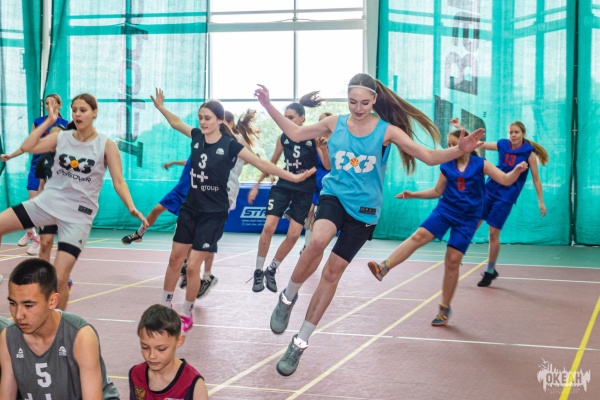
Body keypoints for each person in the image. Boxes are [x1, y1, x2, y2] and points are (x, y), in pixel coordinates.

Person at [254, 73, 484, 376]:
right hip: (335, 196)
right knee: (318, 240)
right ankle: (287, 298)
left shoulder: (387, 131)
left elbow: (428, 156)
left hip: (364, 211)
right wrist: (268, 105)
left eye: (364, 102)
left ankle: (299, 342)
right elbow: (295, 133)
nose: (358, 108)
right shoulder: (334, 123)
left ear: (374, 100)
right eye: (353, 102)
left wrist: (460, 150)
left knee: (332, 273)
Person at [152, 89, 314, 334]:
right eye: (200, 117)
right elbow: (175, 123)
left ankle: (186, 312)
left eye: (207, 118)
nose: (202, 122)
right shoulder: (196, 137)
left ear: (219, 120)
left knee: (193, 266)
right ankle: (165, 307)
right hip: (191, 207)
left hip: (213, 213)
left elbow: (261, 162)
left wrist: (292, 176)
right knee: (175, 259)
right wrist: (161, 107)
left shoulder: (230, 145)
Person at [0, 93, 148, 311]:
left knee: (60, 279)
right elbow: (29, 146)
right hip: (47, 203)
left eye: (83, 110)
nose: (78, 114)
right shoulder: (62, 137)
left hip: (78, 215)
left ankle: (58, 323)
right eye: (74, 110)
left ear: (95, 112)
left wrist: (131, 206)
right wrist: (49, 122)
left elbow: (119, 181)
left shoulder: (106, 145)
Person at [367, 129, 528, 326]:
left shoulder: (480, 164)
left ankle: (444, 308)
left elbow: (505, 179)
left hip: (468, 218)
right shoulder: (446, 165)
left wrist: (516, 170)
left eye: (456, 143)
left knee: (452, 261)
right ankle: (384, 267)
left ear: (469, 144)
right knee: (419, 235)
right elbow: (437, 191)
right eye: (451, 144)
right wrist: (414, 194)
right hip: (446, 210)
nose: (454, 147)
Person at [0, 258, 119, 399]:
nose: (18, 315)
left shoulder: (81, 336)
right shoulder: (8, 337)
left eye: (28, 305)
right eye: (13, 303)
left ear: (52, 301)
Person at [451, 118, 548, 287]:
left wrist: (541, 201)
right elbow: (478, 143)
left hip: (506, 196)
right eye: (511, 132)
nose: (513, 135)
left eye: (516, 132)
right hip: (489, 189)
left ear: (523, 134)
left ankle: (490, 271)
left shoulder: (529, 154)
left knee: (493, 233)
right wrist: (460, 128)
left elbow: (536, 179)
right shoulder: (502, 144)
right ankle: (458, 253)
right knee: (473, 223)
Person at [248, 91, 325, 293]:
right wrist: (257, 184)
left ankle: (272, 269)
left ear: (302, 118)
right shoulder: (283, 138)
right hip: (284, 184)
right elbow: (272, 162)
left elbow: (326, 165)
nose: (287, 121)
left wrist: (324, 149)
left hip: (305, 189)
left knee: (293, 234)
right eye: (285, 118)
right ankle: (258, 271)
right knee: (269, 226)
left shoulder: (313, 137)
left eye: (291, 118)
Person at [1, 94, 69, 256]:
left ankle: (40, 238)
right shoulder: (38, 122)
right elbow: (28, 144)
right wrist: (11, 155)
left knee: (43, 205)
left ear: (59, 105)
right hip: (38, 165)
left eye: (52, 102)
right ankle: (31, 232)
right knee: (32, 201)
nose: (48, 105)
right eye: (46, 103)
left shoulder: (66, 125)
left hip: (55, 168)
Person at [129, 304, 208, 399]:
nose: (151, 356)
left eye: (161, 349)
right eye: (145, 347)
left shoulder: (193, 383)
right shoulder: (136, 374)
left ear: (179, 341)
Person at [300, 112, 333, 254]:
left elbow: (328, 165)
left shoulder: (335, 140)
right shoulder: (314, 139)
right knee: (309, 212)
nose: (322, 123)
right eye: (320, 120)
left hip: (329, 178)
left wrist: (321, 147)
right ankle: (307, 244)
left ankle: (314, 245)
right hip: (315, 177)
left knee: (320, 216)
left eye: (324, 120)